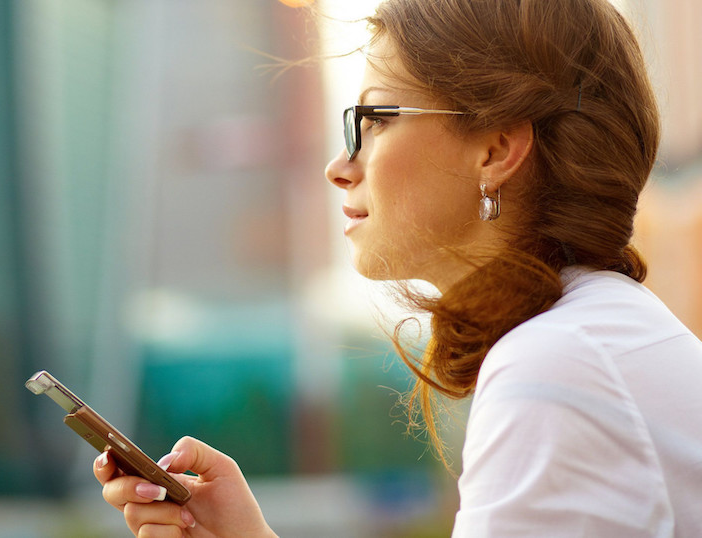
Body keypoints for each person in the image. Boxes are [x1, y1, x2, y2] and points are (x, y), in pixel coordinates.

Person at [94, 0, 702, 535]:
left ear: (495, 149)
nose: (339, 165)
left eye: (376, 120)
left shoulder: (557, 364)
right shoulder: (595, 334)